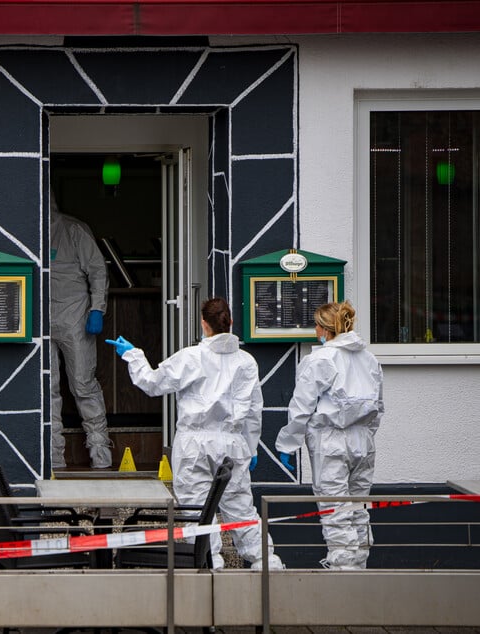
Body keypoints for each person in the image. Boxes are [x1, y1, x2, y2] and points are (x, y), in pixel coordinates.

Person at [106, 297, 284, 570]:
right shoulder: (246, 362)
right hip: (233, 443)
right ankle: (267, 563)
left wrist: (133, 355)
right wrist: (250, 448)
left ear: (203, 324)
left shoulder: (191, 357)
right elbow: (253, 411)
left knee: (197, 511)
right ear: (230, 322)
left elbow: (152, 383)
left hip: (194, 444)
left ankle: (210, 566)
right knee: (241, 508)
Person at [275, 300, 384, 570]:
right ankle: (359, 569)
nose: (315, 331)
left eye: (316, 326)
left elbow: (301, 407)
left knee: (336, 511)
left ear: (325, 329)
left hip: (331, 441)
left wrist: (288, 443)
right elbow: (378, 407)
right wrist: (366, 435)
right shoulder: (369, 359)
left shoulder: (320, 360)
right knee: (358, 508)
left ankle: (343, 575)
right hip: (364, 442)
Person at [49, 190, 112, 469]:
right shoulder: (30, 231)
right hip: (44, 318)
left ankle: (101, 454)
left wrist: (97, 308)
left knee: (83, 384)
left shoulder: (73, 230)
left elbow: (97, 270)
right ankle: (53, 457)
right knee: (47, 388)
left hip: (75, 317)